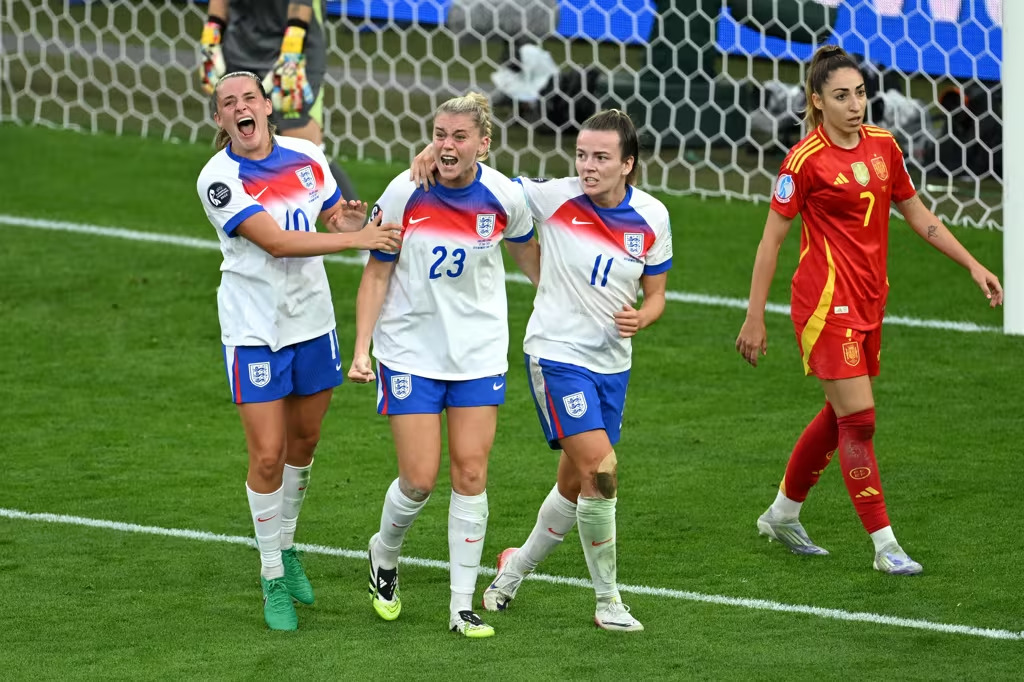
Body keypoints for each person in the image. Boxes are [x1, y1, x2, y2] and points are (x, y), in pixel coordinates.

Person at [735, 45, 1003, 575]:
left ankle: (782, 513)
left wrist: (972, 263)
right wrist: (754, 315)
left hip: (869, 298)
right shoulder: (804, 160)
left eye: (859, 93)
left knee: (840, 417)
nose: (855, 104)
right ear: (817, 101)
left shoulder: (884, 146)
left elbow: (916, 212)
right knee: (860, 420)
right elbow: (771, 242)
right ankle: (885, 546)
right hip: (823, 304)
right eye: (841, 96)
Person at [413, 109, 673, 631]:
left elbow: (657, 293)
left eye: (601, 157)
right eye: (581, 154)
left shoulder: (653, 217)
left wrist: (643, 315)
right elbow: (486, 180)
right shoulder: (554, 196)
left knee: (578, 485)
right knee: (602, 471)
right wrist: (436, 154)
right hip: (555, 355)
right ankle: (608, 602)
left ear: (628, 163)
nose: (587, 166)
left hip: (612, 365)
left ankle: (512, 570)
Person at [196, 71, 400, 631]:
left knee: (304, 440)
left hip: (311, 322)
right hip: (254, 328)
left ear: (267, 107)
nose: (241, 108)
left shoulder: (308, 156)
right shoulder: (218, 180)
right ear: (220, 120)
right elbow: (279, 242)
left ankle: (286, 545)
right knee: (266, 454)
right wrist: (355, 240)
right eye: (228, 103)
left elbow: (332, 214)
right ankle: (271, 576)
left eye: (249, 99)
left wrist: (349, 219)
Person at [347, 92, 540, 638]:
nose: (447, 146)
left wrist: (568, 313)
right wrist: (362, 349)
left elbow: (533, 262)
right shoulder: (404, 190)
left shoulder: (505, 196)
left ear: (484, 142)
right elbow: (377, 272)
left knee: (472, 474)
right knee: (419, 478)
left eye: (459, 137)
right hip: (409, 350)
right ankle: (383, 552)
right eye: (439, 135)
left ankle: (461, 607)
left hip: (477, 352)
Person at [197, 0, 360, 201]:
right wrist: (211, 37)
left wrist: (292, 52)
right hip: (241, 45)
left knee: (305, 152)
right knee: (243, 146)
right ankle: (266, 227)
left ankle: (360, 230)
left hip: (296, 43)